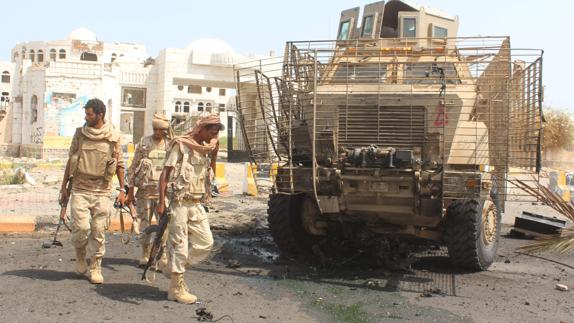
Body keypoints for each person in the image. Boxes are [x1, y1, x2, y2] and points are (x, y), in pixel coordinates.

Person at [156, 114, 223, 304]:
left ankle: (172, 269)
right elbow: (165, 174)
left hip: (196, 204)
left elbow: (211, 174)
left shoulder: (206, 149)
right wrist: (161, 203)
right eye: (212, 131)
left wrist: (214, 154)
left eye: (217, 132)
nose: (214, 135)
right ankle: (176, 288)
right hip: (179, 202)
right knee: (179, 246)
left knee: (206, 242)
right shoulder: (182, 145)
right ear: (201, 128)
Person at [59, 98, 125, 284]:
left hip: (102, 190)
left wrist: (122, 189)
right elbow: (70, 160)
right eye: (86, 114)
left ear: (100, 114)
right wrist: (64, 187)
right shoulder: (80, 134)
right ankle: (81, 255)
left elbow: (120, 164)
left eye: (89, 114)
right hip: (80, 187)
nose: (86, 117)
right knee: (81, 228)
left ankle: (95, 266)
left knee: (98, 230)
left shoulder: (113, 136)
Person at [125, 113, 173, 266]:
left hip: (163, 193)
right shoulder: (144, 143)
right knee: (144, 225)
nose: (158, 133)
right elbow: (132, 168)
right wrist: (130, 191)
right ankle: (145, 254)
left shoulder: (170, 144)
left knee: (165, 226)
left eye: (161, 130)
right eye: (155, 129)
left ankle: (162, 255)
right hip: (145, 192)